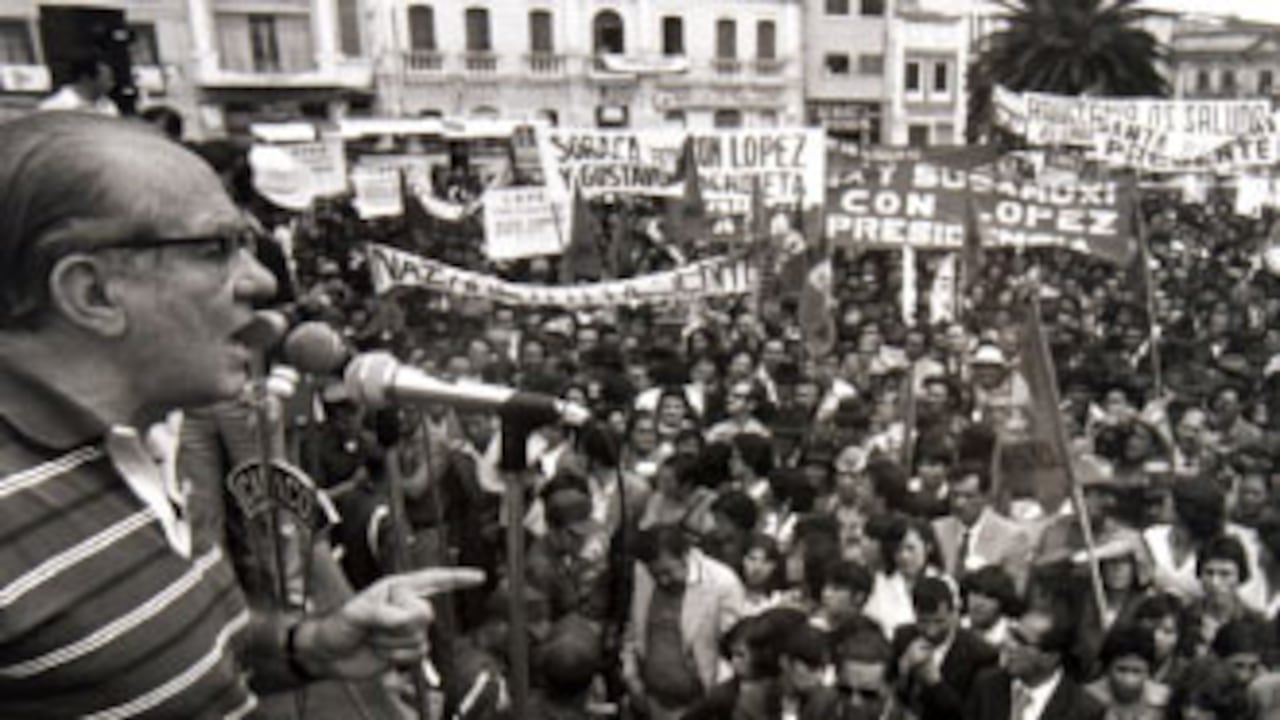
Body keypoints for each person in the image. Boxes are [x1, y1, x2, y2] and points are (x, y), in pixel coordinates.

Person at [0, 114, 482, 717]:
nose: (259, 281)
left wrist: (309, 646)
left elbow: (193, 645)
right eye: (214, 249)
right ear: (92, 294)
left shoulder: (140, 448)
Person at [621, 524, 745, 720]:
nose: (662, 581)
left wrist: (709, 705)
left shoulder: (723, 583)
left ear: (686, 555)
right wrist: (631, 678)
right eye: (656, 575)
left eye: (668, 572)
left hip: (699, 707)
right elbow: (633, 630)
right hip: (648, 701)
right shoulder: (643, 573)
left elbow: (733, 653)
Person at [964, 606, 1106, 720]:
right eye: (1012, 635)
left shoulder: (1084, 711)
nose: (1009, 645)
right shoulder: (986, 686)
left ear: (1051, 658)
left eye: (1021, 641)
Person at [891, 576, 998, 719]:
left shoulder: (981, 654)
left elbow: (970, 715)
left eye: (939, 621)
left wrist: (936, 684)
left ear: (954, 613)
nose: (931, 631)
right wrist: (903, 670)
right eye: (923, 621)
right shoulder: (903, 637)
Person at [932, 463, 1031, 591]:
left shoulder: (1012, 537)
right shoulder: (937, 530)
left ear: (986, 497)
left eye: (969, 496)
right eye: (954, 495)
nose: (959, 503)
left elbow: (1015, 591)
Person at [1083, 624, 1169, 720]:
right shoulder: (1087, 698)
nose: (1128, 679)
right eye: (1121, 670)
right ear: (1107, 669)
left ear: (1148, 671)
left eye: (1136, 671)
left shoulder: (1164, 701)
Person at [38, 55, 120, 116]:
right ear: (86, 78)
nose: (112, 83)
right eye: (107, 78)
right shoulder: (55, 107)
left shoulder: (108, 105)